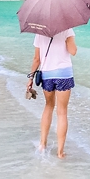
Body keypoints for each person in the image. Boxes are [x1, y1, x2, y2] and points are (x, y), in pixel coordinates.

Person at [26, 28, 77, 159]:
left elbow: (36, 59)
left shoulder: (40, 31)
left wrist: (30, 78)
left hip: (47, 75)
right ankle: (60, 152)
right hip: (63, 75)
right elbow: (73, 51)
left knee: (48, 106)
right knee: (62, 112)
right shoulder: (67, 29)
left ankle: (42, 144)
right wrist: (67, 39)